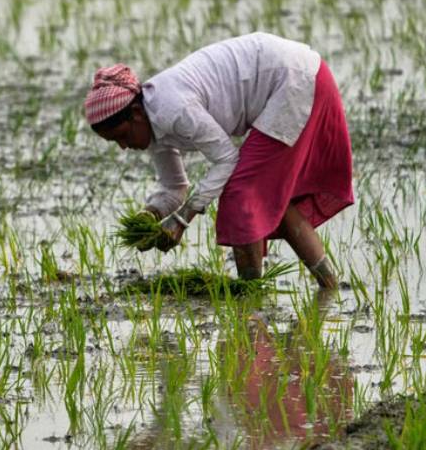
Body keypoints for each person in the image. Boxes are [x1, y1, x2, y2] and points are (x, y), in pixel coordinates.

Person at [83, 32, 354, 287]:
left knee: (241, 194)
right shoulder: (153, 124)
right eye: (114, 142)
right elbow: (175, 187)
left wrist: (182, 220)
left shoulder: (173, 108)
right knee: (260, 192)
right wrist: (150, 215)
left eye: (122, 135)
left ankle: (250, 295)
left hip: (295, 80)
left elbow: (226, 159)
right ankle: (329, 284)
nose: (123, 146)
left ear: (136, 114)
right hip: (297, 77)